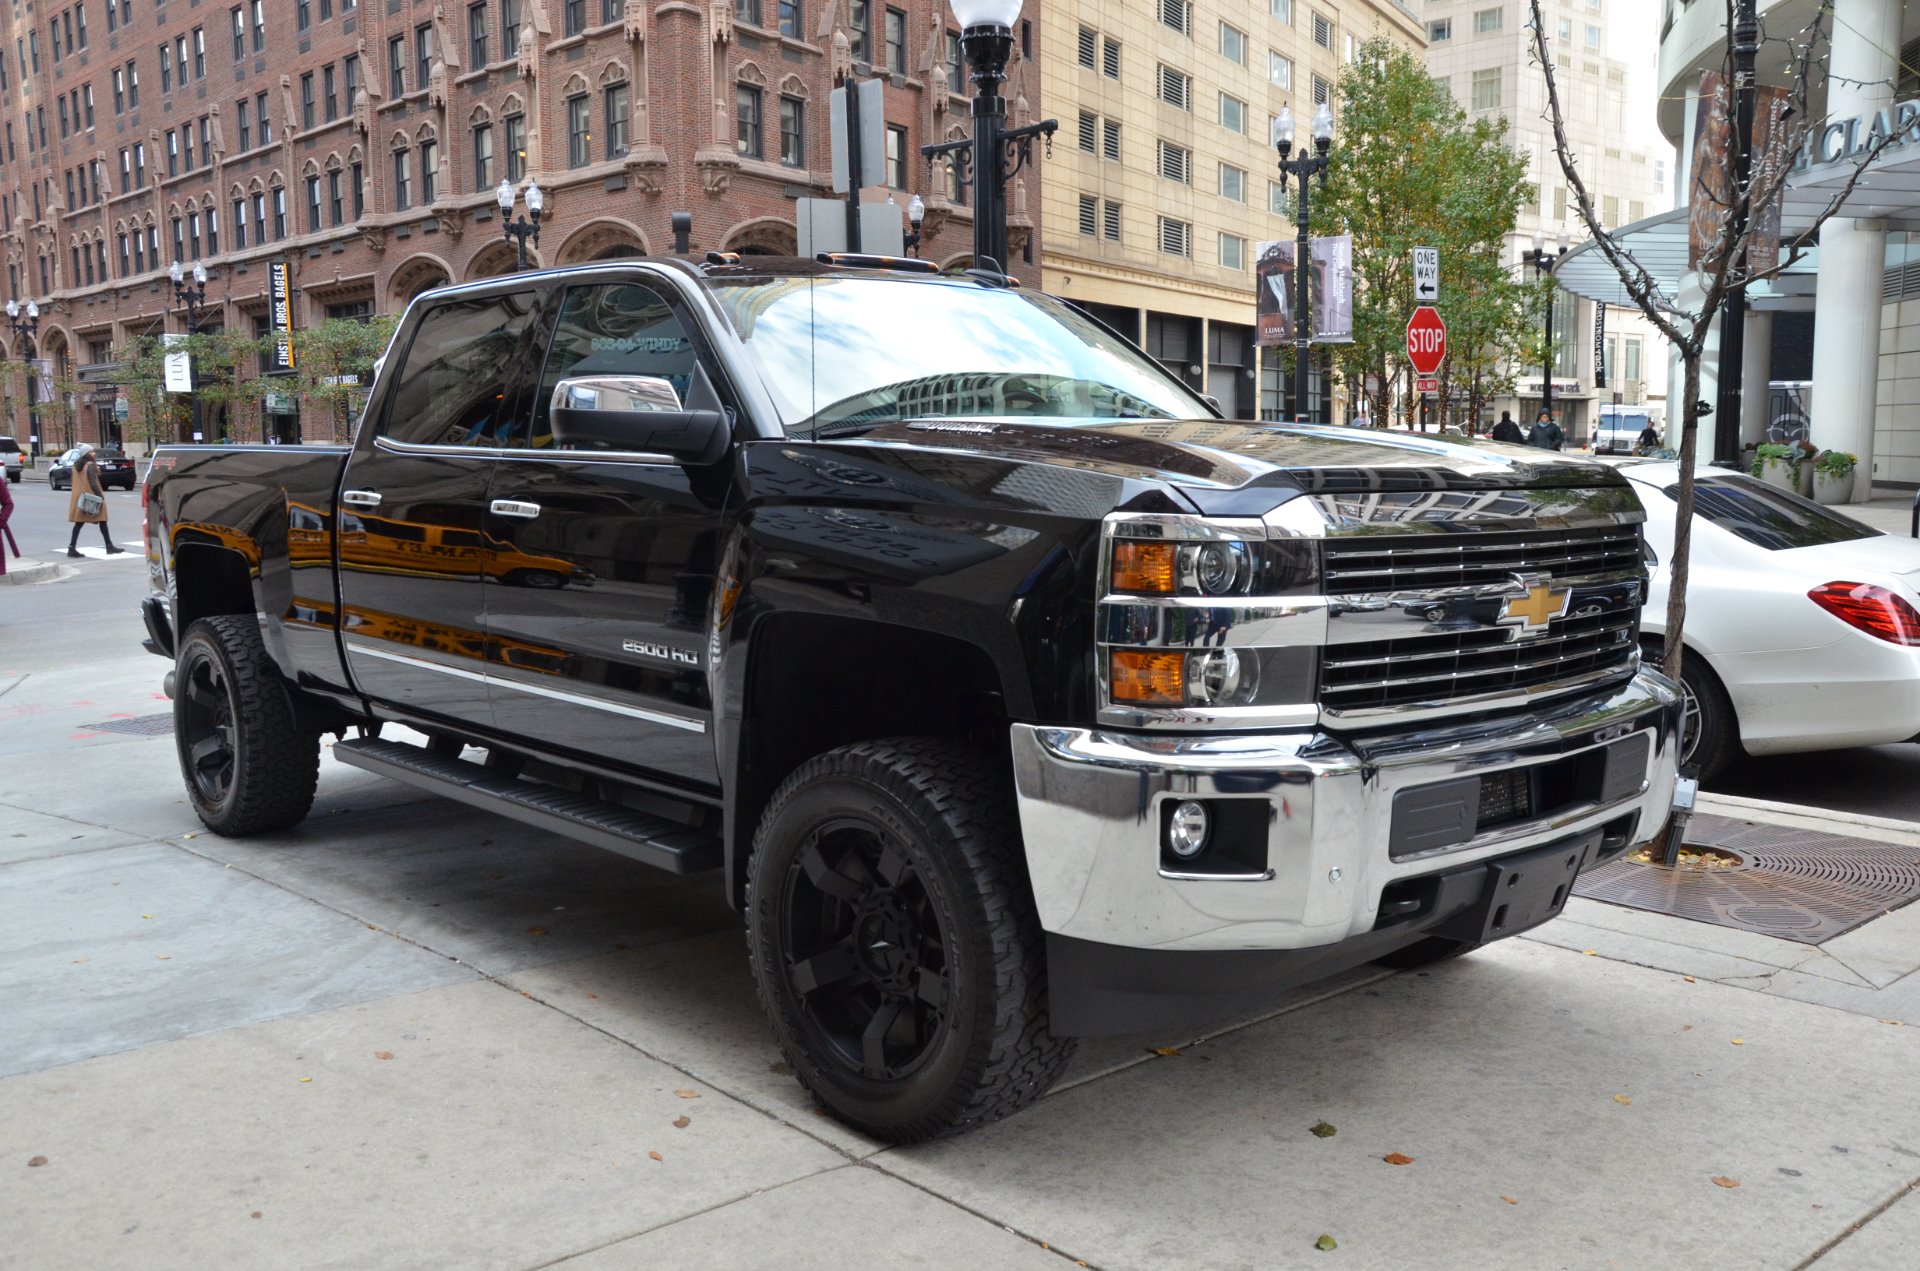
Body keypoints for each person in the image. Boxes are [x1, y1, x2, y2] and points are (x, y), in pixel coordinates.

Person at [65, 445, 125, 557]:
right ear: (86, 454)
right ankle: (109, 546)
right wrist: (100, 496)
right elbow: (93, 482)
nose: (94, 454)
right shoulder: (90, 465)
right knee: (102, 520)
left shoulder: (76, 466)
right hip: (92, 496)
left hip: (80, 496)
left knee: (79, 523)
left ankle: (71, 548)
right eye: (91, 452)